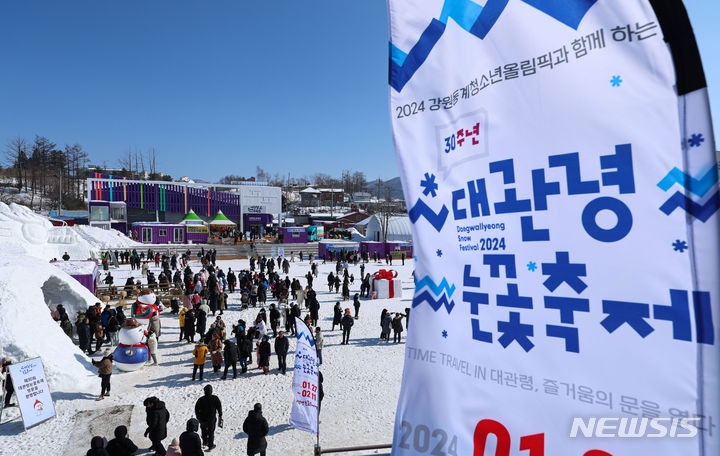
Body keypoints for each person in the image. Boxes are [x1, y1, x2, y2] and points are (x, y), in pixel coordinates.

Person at [195, 384, 223, 450]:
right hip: (211, 419)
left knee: (204, 430)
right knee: (211, 432)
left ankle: (205, 442)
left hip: (202, 419)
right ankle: (210, 445)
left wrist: (198, 417)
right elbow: (219, 407)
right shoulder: (215, 398)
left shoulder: (201, 399)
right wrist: (220, 414)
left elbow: (196, 409)